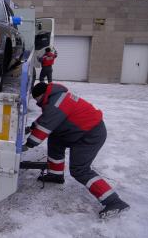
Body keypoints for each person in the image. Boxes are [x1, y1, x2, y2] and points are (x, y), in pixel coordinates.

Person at [24, 82, 129, 219]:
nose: (38, 104)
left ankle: (114, 201)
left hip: (90, 135)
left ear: (43, 95)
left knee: (79, 169)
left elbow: (46, 124)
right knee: (55, 139)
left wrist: (28, 144)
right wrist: (32, 127)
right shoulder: (56, 97)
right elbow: (47, 118)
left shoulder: (56, 103)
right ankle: (56, 175)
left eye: (38, 101)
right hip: (79, 131)